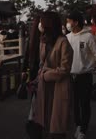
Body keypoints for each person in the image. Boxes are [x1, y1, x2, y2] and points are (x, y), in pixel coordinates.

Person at [66, 12, 96, 139]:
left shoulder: (88, 37)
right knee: (74, 103)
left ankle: (83, 129)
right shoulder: (67, 37)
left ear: (76, 22)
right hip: (70, 76)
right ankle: (78, 125)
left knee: (84, 103)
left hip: (85, 76)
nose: (67, 24)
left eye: (69, 21)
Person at [34, 11, 74, 139]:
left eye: (42, 21)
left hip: (58, 87)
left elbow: (65, 69)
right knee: (44, 123)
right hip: (44, 88)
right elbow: (42, 63)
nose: (40, 24)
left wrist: (46, 75)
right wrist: (38, 76)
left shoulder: (63, 42)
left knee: (56, 129)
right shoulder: (43, 41)